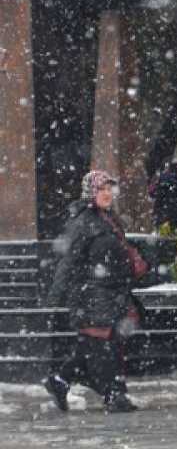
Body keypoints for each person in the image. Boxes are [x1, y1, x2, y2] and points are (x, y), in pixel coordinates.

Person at [44, 170, 148, 413]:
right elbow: (68, 260)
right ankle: (113, 395)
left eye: (109, 189)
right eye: (101, 189)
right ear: (90, 192)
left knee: (96, 345)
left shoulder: (108, 218)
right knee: (105, 346)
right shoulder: (83, 222)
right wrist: (55, 296)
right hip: (93, 294)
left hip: (111, 293)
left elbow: (116, 251)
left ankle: (60, 381)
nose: (107, 194)